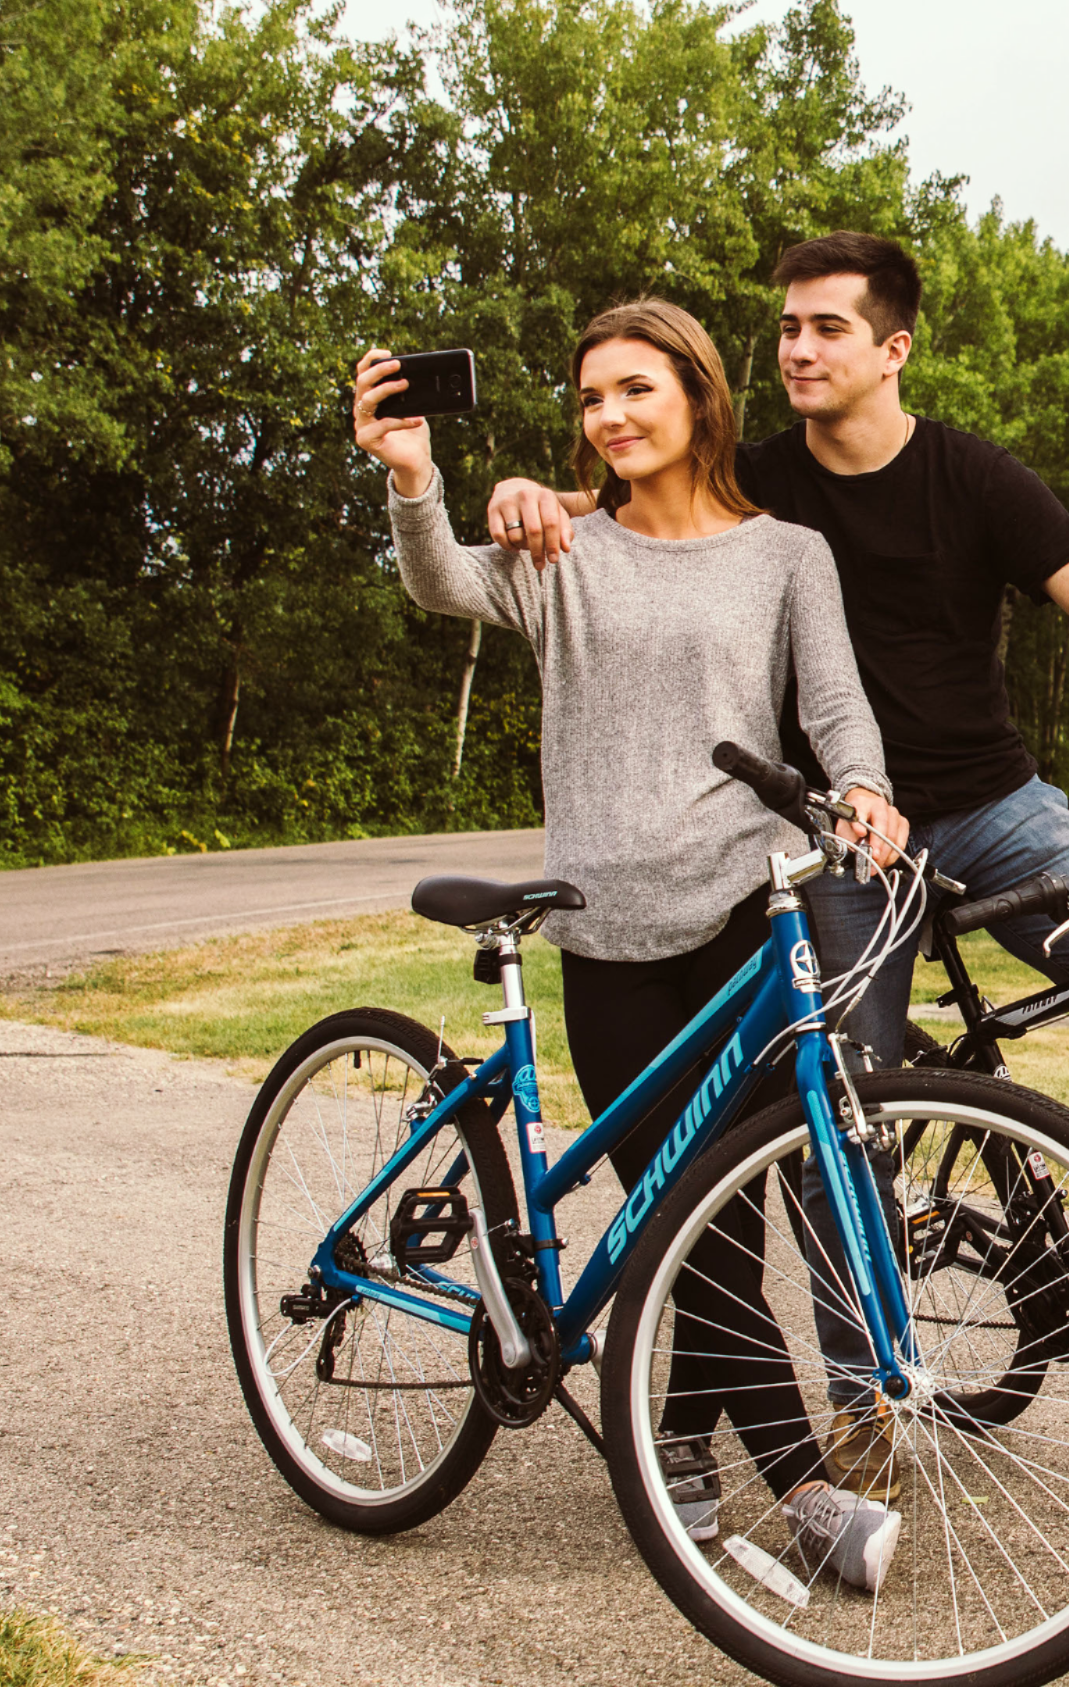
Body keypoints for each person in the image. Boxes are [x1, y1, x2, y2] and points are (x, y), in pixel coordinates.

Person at [483, 234, 1069, 1259]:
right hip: (844, 840)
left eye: (828, 328)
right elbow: (621, 525)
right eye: (788, 328)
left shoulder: (974, 476)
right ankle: (864, 1394)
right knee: (845, 1112)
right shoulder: (754, 483)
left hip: (998, 808)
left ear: (894, 347)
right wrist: (530, 495)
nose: (798, 350)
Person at [353, 299, 904, 1586]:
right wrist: (419, 479)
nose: (610, 416)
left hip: (740, 917)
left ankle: (681, 1441)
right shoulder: (561, 544)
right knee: (685, 1218)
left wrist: (865, 789)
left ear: (697, 401)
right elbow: (441, 583)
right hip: (603, 927)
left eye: (635, 391)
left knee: (722, 1214)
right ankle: (802, 1485)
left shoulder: (786, 554)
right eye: (592, 398)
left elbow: (833, 705)